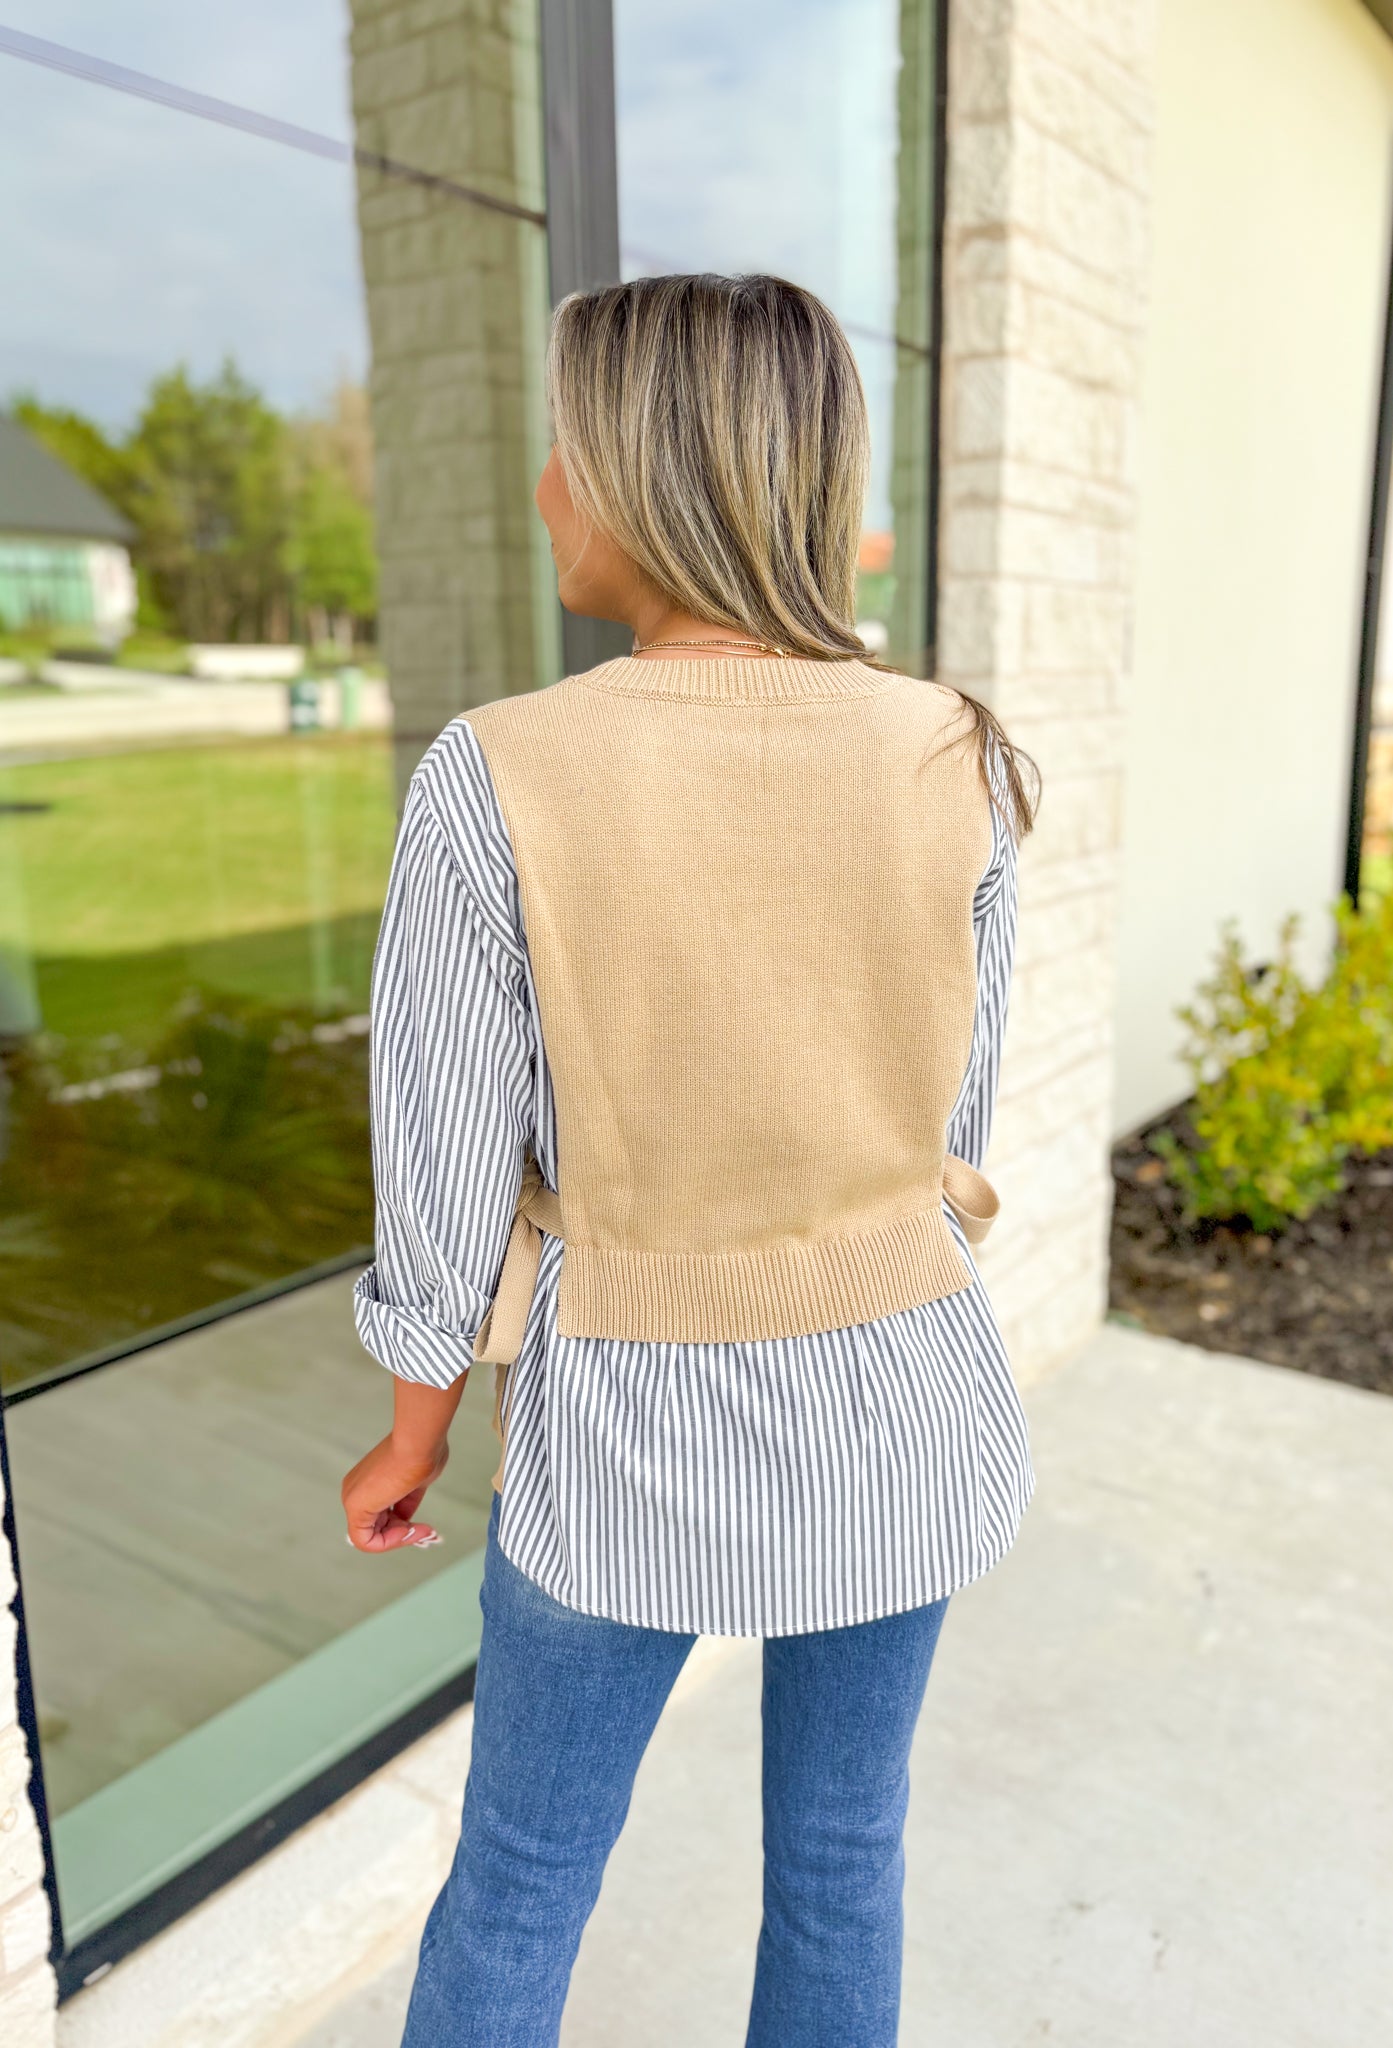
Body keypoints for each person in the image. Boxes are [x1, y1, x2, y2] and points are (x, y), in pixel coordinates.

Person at [341, 271, 1040, 2048]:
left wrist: (412, 1430)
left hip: (624, 1424)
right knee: (840, 1855)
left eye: (567, 446)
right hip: (902, 1392)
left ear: (653, 471)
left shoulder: (499, 771)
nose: (547, 488)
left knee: (520, 1879)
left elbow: (439, 1170)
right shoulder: (957, 752)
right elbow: (952, 1125)